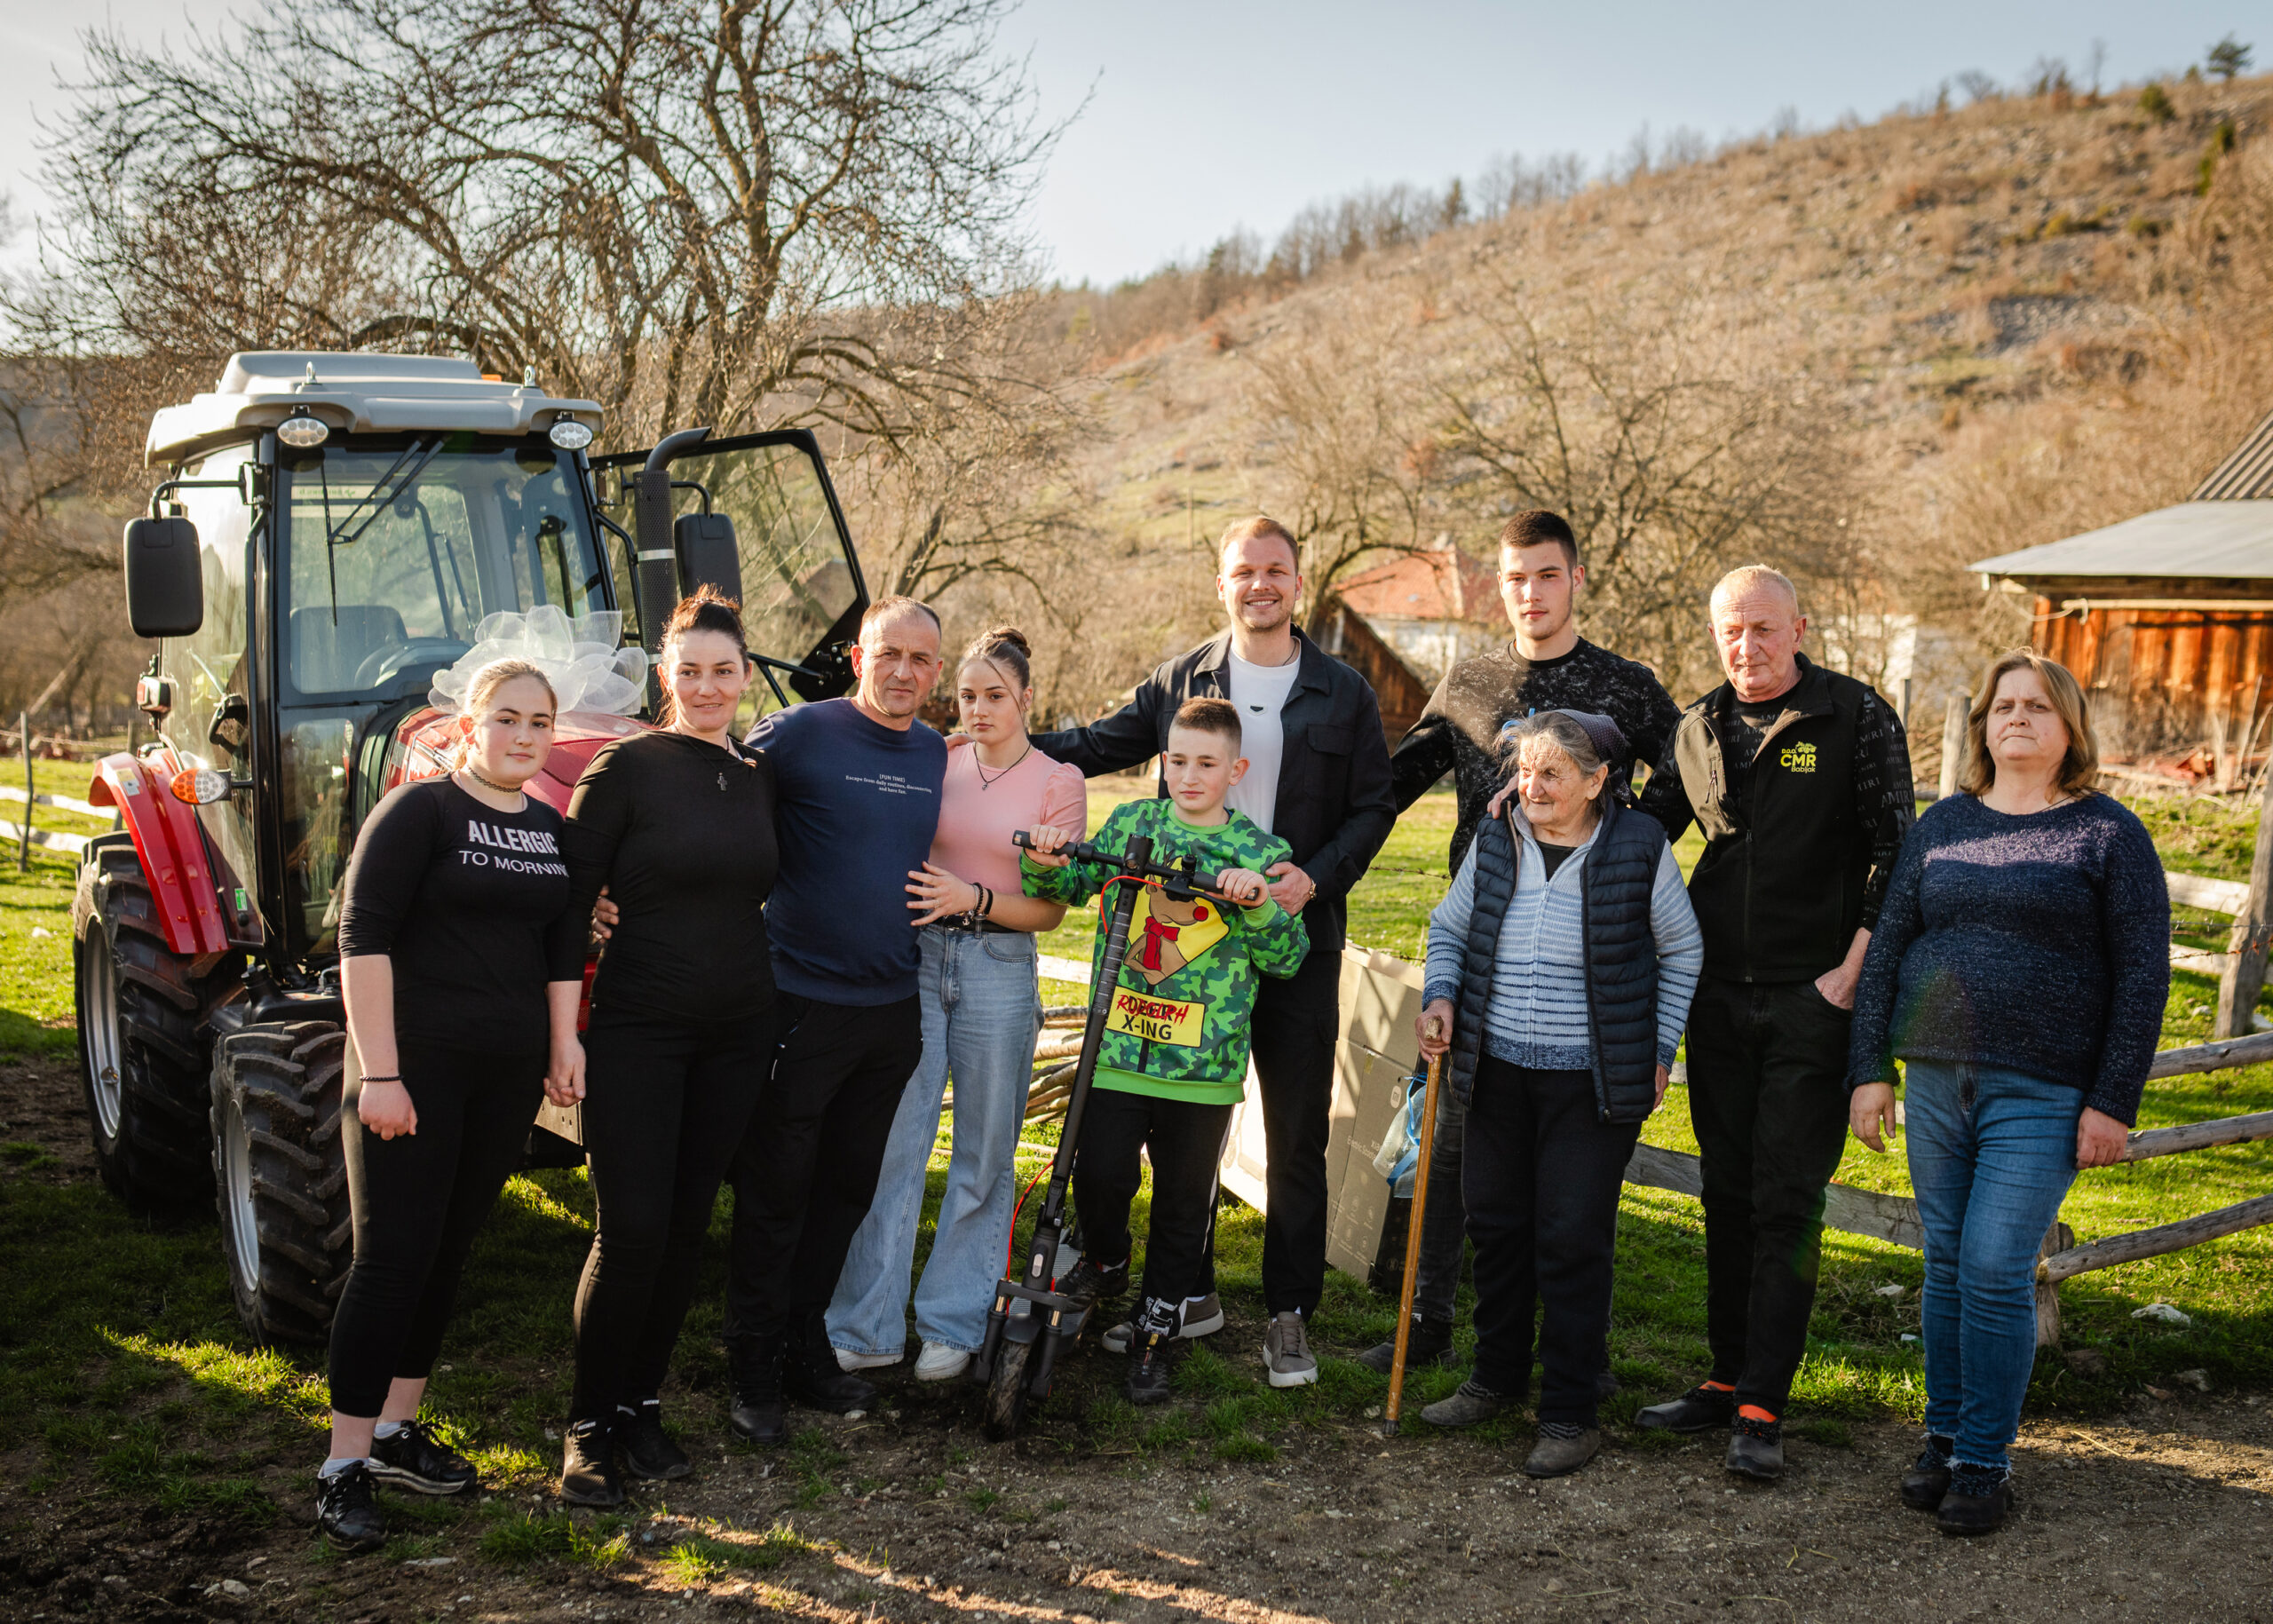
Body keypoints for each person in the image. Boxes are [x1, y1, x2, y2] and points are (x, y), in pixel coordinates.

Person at [1027, 516, 1395, 1387]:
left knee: (1295, 1130)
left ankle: (1287, 1312)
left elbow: (1373, 806)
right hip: (1187, 951)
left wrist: (1314, 875)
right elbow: (1095, 744)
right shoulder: (1181, 678)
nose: (1259, 584)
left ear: (1297, 582)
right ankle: (1185, 1294)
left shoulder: (1342, 690)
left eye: (1275, 570)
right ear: (1220, 581)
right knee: (1179, 1126)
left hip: (1289, 939)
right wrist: (999, 744)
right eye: (1243, 570)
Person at [1848, 651, 2166, 1534]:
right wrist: (1869, 1068)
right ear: (1982, 725)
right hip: (1936, 1079)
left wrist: (2113, 1099)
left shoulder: (2107, 834)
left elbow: (2142, 977)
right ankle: (1943, 1440)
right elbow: (1887, 950)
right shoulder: (1942, 824)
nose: (2014, 717)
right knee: (1947, 1264)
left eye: (2034, 705)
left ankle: (1985, 1463)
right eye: (2000, 706)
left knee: (1992, 1268)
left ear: (2067, 726)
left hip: (2044, 1090)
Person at [1367, 510, 1682, 1374]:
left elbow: (1689, 765)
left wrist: (1625, 848)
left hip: (1583, 963)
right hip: (1480, 940)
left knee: (1561, 1174)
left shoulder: (1622, 685)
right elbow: (1394, 784)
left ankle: (1562, 1352)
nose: (1530, 593)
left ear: (1574, 579)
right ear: (1498, 585)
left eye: (1546, 575)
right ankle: (1427, 1321)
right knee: (1451, 1142)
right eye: (1515, 578)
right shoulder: (1470, 680)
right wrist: (1314, 859)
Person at [1632, 564, 1915, 1480]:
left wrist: (1848, 974)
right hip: (1717, 1000)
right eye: (1729, 632)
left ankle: (1764, 1402)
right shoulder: (1697, 727)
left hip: (1810, 999)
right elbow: (1642, 836)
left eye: (1761, 628)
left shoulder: (1855, 717)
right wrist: (1544, 808)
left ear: (1797, 626)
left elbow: (1895, 855)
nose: (1745, 647)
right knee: (1728, 1189)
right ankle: (1724, 1378)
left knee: (1787, 1200)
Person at [320, 660, 584, 1551]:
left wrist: (563, 1044)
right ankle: (342, 1463)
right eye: (506, 718)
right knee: (392, 1257)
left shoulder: (550, 828)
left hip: (502, 1076)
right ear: (469, 725)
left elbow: (559, 951)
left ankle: (396, 1430)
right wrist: (382, 1072)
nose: (523, 735)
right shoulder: (419, 812)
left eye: (539, 723)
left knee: (448, 1251)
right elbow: (364, 937)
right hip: (412, 1072)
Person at [1408, 710, 1701, 1475]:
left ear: (1598, 781)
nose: (1530, 788)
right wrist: (1441, 995)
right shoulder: (1498, 833)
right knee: (1497, 1224)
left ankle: (1571, 1409)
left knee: (1571, 1235)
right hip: (1495, 1064)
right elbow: (1449, 925)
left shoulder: (1639, 846)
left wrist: (1660, 1045)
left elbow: (1682, 948)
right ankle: (1495, 1376)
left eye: (1551, 774)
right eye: (1525, 772)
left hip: (1591, 1076)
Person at [554, 589, 780, 1506]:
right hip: (642, 1027)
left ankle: (641, 1408)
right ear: (664, 676)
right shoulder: (627, 765)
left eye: (724, 670)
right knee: (632, 1228)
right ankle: (587, 1426)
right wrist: (568, 1009)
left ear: (744, 674)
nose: (708, 685)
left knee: (688, 1227)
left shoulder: (759, 773)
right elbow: (566, 896)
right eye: (690, 670)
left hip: (737, 1029)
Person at [1022, 698, 1311, 1401]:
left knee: (1184, 1207)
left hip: (1201, 1075)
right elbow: (1071, 884)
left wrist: (1259, 904)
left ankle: (1156, 1329)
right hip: (1118, 1053)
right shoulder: (1133, 825)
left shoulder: (1259, 854)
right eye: (1176, 760)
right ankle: (1108, 1260)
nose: (1188, 775)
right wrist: (1043, 861)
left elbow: (1288, 958)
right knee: (1099, 1177)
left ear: (1235, 769)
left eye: (1206, 763)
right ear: (1161, 762)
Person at [826, 627, 1087, 1383]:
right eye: (967, 695)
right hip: (918, 958)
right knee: (893, 1144)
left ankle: (954, 1319)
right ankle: (864, 1324)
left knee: (982, 1152)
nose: (977, 709)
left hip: (998, 966)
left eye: (994, 696)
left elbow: (1051, 913)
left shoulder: (1056, 781)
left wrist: (975, 894)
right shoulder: (935, 758)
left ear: (1026, 698)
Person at [724, 596, 948, 1444]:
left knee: (847, 1189)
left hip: (891, 1009)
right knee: (776, 1189)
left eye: (921, 660)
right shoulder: (798, 733)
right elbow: (717, 799)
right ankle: (750, 1364)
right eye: (888, 653)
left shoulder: (932, 751)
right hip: (797, 1002)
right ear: (858, 655)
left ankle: (804, 1342)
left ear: (936, 672)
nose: (902, 673)